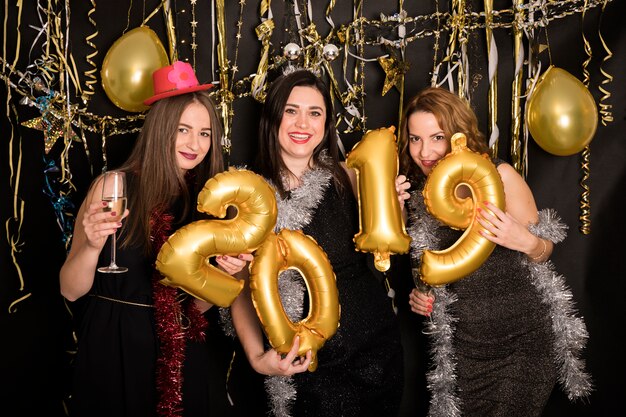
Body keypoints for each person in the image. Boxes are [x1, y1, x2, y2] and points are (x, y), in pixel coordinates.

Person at [60, 61, 254, 417]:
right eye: (183, 129)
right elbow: (70, 290)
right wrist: (89, 245)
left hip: (177, 353)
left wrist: (223, 277)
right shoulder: (113, 187)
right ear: (161, 127)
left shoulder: (208, 206)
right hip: (112, 345)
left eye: (205, 133)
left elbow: (194, 308)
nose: (195, 144)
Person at [398, 87, 592, 417]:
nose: (424, 150)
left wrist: (525, 240)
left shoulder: (498, 176)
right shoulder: (416, 197)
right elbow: (423, 270)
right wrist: (421, 296)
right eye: (415, 139)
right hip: (463, 352)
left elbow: (544, 252)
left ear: (457, 136)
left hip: (522, 343)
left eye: (437, 137)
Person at [230, 69, 404, 417]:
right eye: (291, 110)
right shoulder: (244, 194)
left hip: (369, 355)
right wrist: (256, 359)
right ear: (273, 116)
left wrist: (393, 204)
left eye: (315, 113)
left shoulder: (351, 178)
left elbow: (390, 247)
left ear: (326, 124)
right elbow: (238, 289)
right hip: (293, 364)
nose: (302, 123)